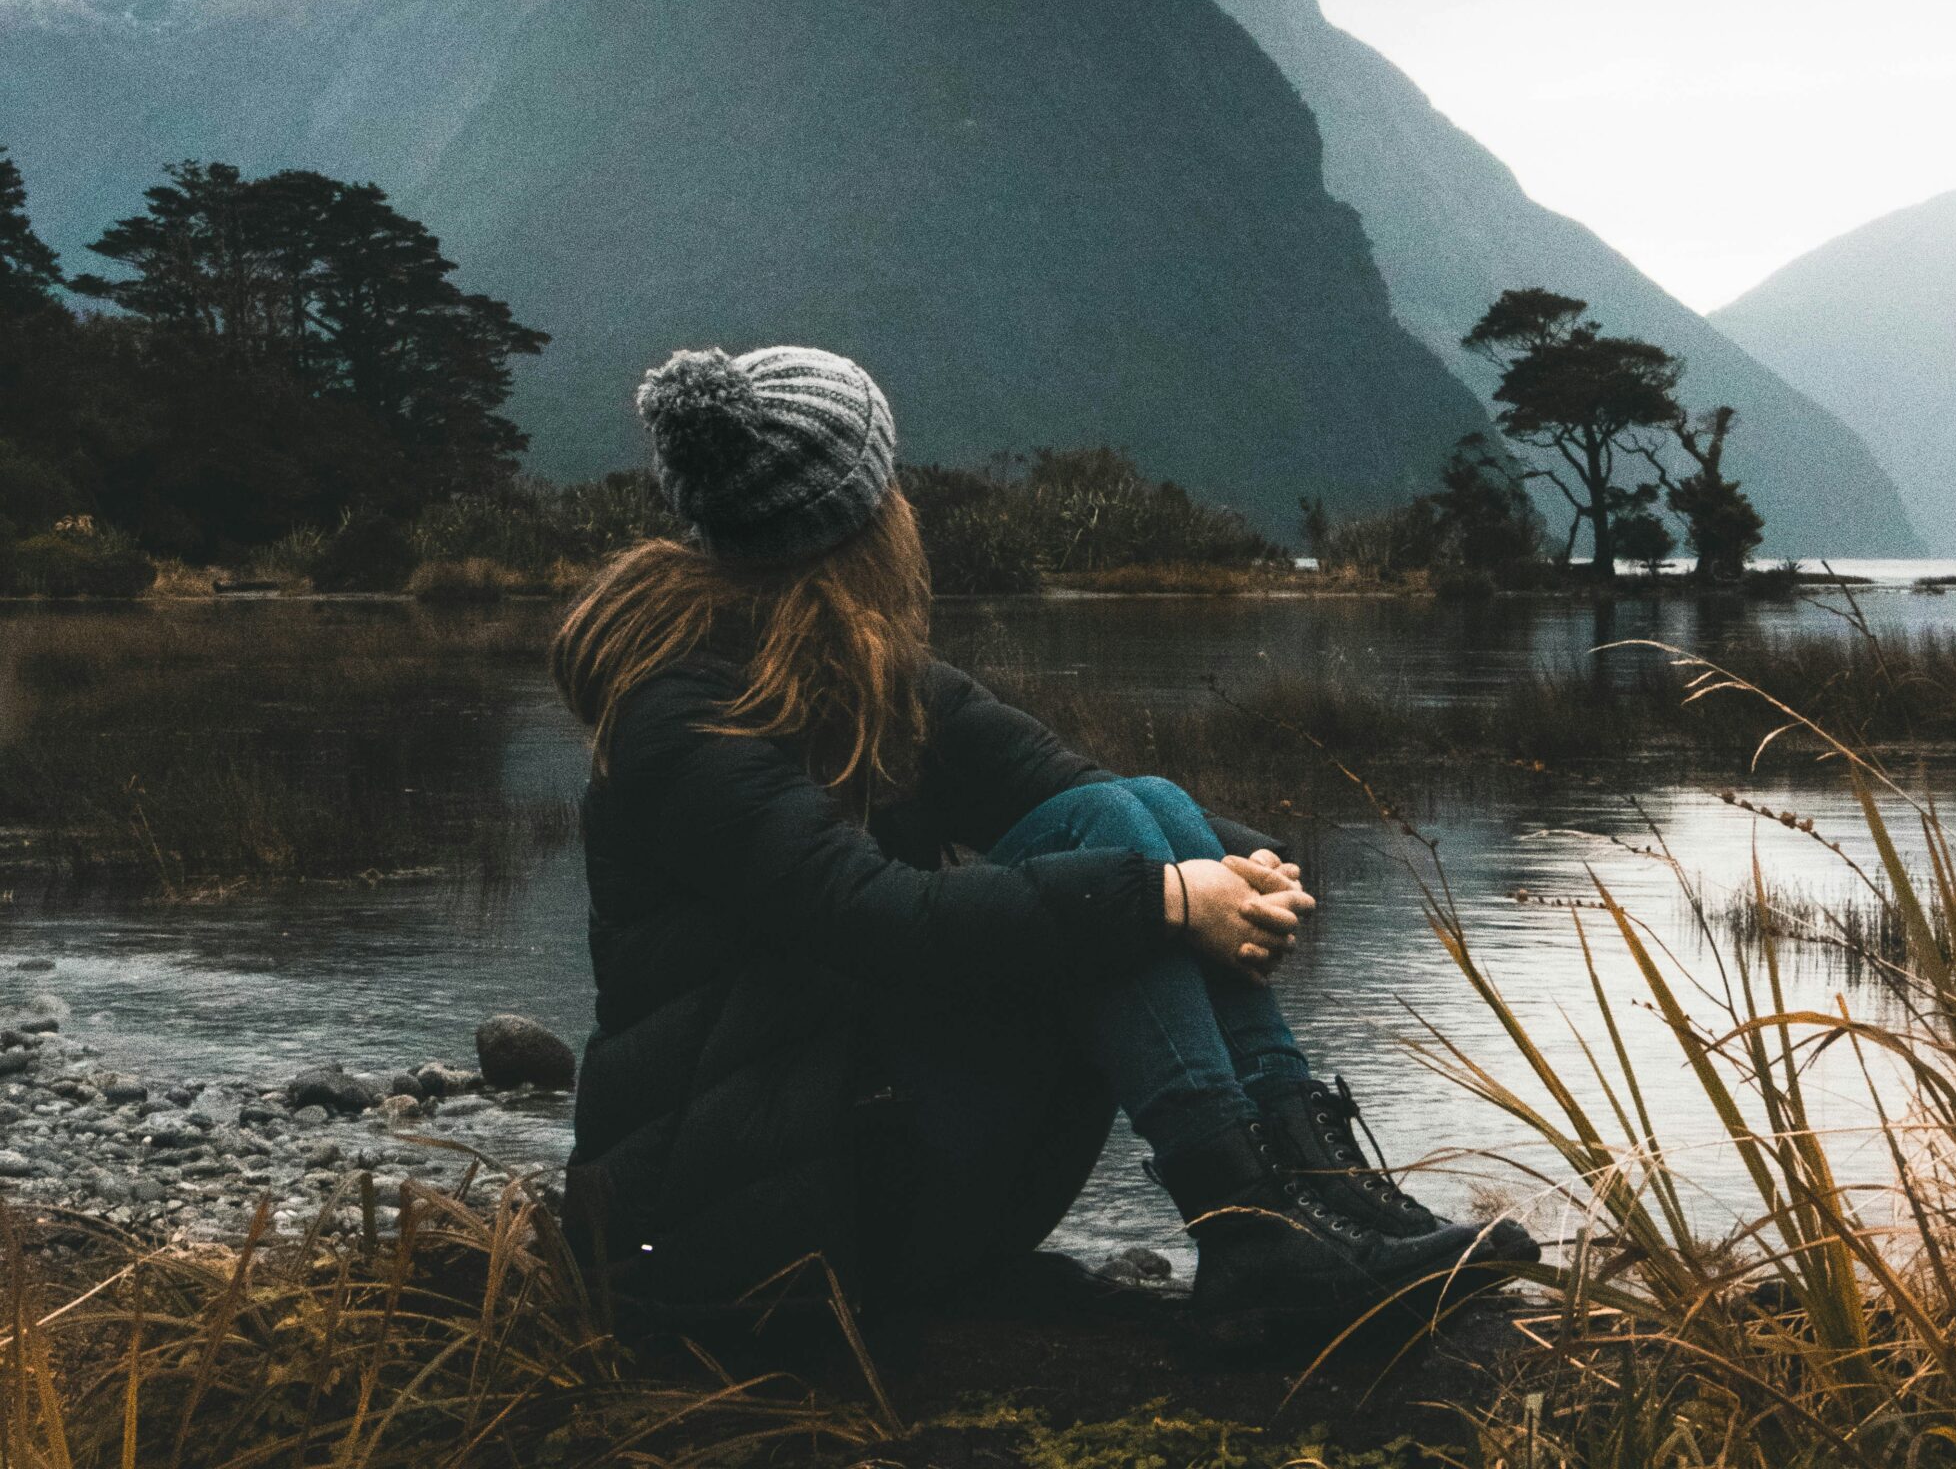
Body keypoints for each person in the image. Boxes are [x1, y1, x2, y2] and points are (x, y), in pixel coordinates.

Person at [555, 343, 1535, 1349]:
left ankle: (1323, 1201)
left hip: (833, 1174)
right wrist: (1167, 898)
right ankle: (1249, 1228)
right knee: (1119, 859)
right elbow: (876, 916)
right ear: (855, 519)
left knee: (1136, 802)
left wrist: (1236, 869)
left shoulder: (868, 676)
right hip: (721, 1247)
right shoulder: (681, 716)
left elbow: (1074, 790)